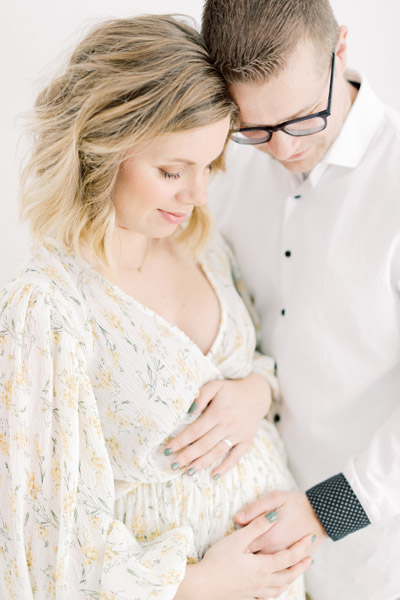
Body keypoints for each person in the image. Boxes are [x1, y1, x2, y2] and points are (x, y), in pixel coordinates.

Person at [0, 14, 315, 600]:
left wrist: (256, 392)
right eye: (172, 171)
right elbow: (47, 547)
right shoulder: (47, 308)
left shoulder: (203, 246)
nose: (197, 196)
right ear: (99, 147)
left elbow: (264, 362)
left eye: (208, 168)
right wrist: (207, 582)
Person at [194, 1, 400, 599]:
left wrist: (321, 512)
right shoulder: (221, 170)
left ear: (340, 49)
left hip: (374, 562)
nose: (282, 150)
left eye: (304, 118)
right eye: (255, 128)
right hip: (250, 557)